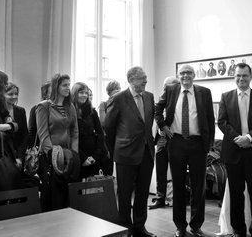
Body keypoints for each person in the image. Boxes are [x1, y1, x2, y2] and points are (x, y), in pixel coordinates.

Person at [155, 64, 215, 237]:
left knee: (198, 187)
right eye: (182, 73)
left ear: (194, 75)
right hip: (177, 142)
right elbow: (157, 110)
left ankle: (196, 225)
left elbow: (210, 120)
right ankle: (180, 225)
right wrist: (163, 126)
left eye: (188, 73)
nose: (185, 76)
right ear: (178, 75)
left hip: (198, 144)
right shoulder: (171, 90)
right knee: (179, 185)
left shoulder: (204, 92)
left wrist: (209, 144)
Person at [217, 63, 252, 237]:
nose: (241, 79)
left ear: (251, 77)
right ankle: (238, 231)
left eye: (245, 75)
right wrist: (238, 139)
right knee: (236, 195)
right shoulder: (226, 97)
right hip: (233, 154)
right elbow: (222, 122)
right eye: (238, 75)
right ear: (234, 77)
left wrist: (248, 138)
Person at [104, 66, 156, 237]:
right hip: (125, 154)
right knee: (125, 194)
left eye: (146, 77)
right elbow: (109, 128)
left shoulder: (149, 97)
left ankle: (140, 227)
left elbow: (147, 124)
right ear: (132, 80)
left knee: (143, 193)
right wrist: (116, 151)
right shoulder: (118, 99)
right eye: (142, 78)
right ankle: (125, 228)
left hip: (147, 153)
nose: (146, 81)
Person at [36, 73, 79, 211]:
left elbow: (74, 132)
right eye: (64, 85)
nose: (68, 88)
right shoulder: (44, 107)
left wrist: (73, 154)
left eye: (69, 84)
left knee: (66, 196)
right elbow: (43, 134)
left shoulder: (70, 107)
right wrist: (53, 154)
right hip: (50, 157)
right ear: (56, 86)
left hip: (68, 157)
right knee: (52, 196)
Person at [149, 75, 180, 210]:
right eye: (164, 86)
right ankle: (160, 198)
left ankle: (178, 198)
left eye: (167, 87)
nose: (164, 89)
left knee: (177, 170)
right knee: (160, 169)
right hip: (161, 140)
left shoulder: (180, 100)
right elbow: (157, 115)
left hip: (176, 140)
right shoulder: (161, 99)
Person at [71, 81, 109, 179]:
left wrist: (95, 156)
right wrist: (83, 158)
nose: (84, 95)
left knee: (93, 189)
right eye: (81, 92)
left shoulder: (92, 112)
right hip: (77, 155)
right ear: (75, 94)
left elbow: (100, 134)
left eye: (86, 93)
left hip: (94, 156)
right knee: (78, 189)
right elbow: (70, 137)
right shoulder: (69, 112)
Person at [5, 82, 29, 169]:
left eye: (16, 94)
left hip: (18, 154)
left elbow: (25, 134)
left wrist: (19, 157)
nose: (14, 96)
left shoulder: (21, 111)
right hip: (4, 156)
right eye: (10, 94)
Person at [27, 81, 51, 150]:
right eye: (51, 93)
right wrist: (31, 148)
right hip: (40, 147)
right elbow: (32, 131)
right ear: (45, 95)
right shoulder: (36, 109)